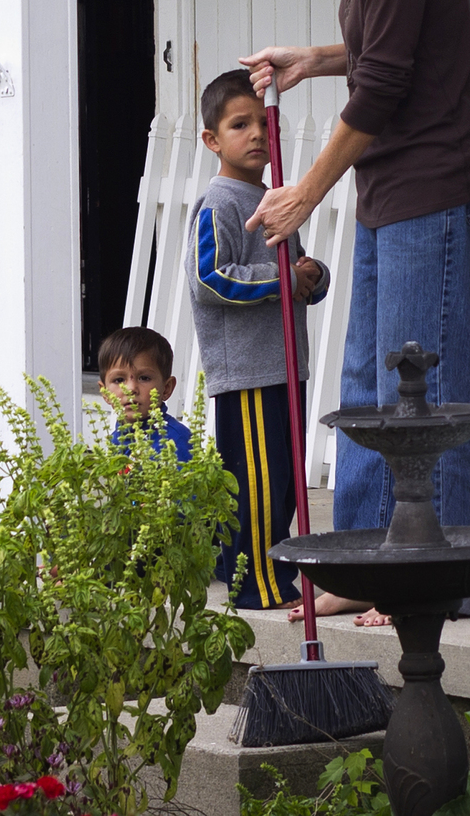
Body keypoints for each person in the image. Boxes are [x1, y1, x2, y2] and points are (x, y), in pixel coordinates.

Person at [240, 0, 470, 628]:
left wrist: (302, 193)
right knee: (367, 383)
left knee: (428, 394)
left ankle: (436, 574)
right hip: (394, 190)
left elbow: (386, 85)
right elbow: (388, 45)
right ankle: (363, 558)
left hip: (440, 190)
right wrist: (316, 57)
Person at [189, 69, 329, 611]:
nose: (254, 136)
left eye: (262, 125)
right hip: (247, 372)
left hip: (286, 365)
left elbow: (294, 273)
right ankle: (257, 580)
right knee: (258, 483)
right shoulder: (219, 203)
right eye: (239, 125)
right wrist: (281, 282)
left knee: (288, 479)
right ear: (211, 140)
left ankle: (237, 562)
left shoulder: (277, 200)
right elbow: (208, 278)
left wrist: (310, 276)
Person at [95, 325, 192, 462]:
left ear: (166, 388)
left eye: (144, 378)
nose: (131, 388)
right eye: (119, 380)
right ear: (104, 392)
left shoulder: (175, 439)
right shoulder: (117, 439)